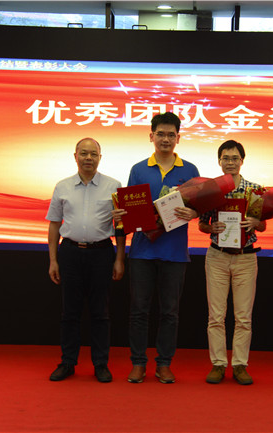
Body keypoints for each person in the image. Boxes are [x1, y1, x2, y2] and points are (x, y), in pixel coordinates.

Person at [113, 112, 200, 384]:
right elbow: (130, 209)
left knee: (170, 313)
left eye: (171, 135)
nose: (165, 139)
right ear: (151, 136)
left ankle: (164, 363)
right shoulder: (139, 169)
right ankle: (138, 363)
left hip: (175, 252)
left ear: (178, 138)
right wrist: (122, 214)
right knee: (139, 310)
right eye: (160, 134)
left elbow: (200, 205)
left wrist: (194, 213)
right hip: (142, 251)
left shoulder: (190, 170)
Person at [46, 137, 126, 383]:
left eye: (93, 154)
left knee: (100, 312)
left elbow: (121, 226)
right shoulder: (62, 186)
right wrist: (53, 260)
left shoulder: (114, 186)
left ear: (100, 157)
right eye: (84, 153)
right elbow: (54, 224)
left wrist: (119, 259)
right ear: (75, 156)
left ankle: (100, 364)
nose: (88, 158)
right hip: (70, 253)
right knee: (69, 312)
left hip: (101, 253)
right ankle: (67, 362)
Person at [198, 140, 265, 385]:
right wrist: (211, 228)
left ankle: (239, 365)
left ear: (242, 161)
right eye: (226, 158)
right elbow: (202, 224)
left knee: (243, 317)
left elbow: (262, 224)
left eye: (235, 158)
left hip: (245, 258)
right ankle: (218, 364)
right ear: (219, 161)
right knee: (216, 315)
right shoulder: (211, 190)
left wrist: (255, 222)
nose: (230, 162)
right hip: (217, 256)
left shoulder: (255, 190)